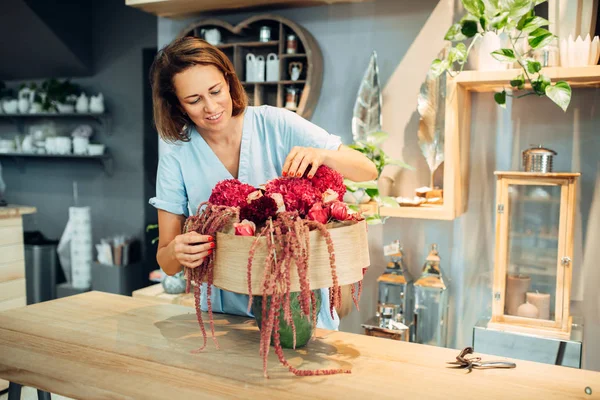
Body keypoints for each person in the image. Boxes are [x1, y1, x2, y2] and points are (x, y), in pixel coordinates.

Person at [149, 36, 377, 330]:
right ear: (177, 106)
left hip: (295, 308)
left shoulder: (276, 124)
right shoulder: (175, 158)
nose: (211, 107)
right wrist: (178, 250)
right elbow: (167, 262)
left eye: (216, 91)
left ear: (229, 82)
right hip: (225, 317)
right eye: (194, 100)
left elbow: (367, 169)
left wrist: (321, 154)